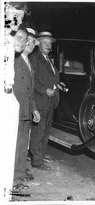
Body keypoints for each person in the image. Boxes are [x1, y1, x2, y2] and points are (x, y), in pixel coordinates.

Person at [1, 2, 29, 200]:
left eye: (20, 17)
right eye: (13, 14)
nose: (17, 21)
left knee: (8, 149)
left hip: (9, 96)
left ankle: (5, 193)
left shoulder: (8, 40)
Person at [13, 28, 41, 184]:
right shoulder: (15, 60)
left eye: (32, 42)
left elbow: (30, 91)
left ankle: (20, 172)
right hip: (17, 110)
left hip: (26, 111)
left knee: (23, 144)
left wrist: (34, 108)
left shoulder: (28, 62)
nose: (30, 44)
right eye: (26, 41)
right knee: (15, 144)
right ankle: (12, 177)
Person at [29, 31, 59, 170]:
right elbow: (31, 80)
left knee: (46, 131)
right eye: (45, 43)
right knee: (38, 132)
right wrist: (44, 89)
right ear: (38, 44)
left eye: (50, 43)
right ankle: (36, 161)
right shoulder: (34, 58)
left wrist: (57, 85)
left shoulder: (48, 59)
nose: (48, 46)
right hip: (40, 100)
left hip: (50, 101)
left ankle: (41, 156)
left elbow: (50, 78)